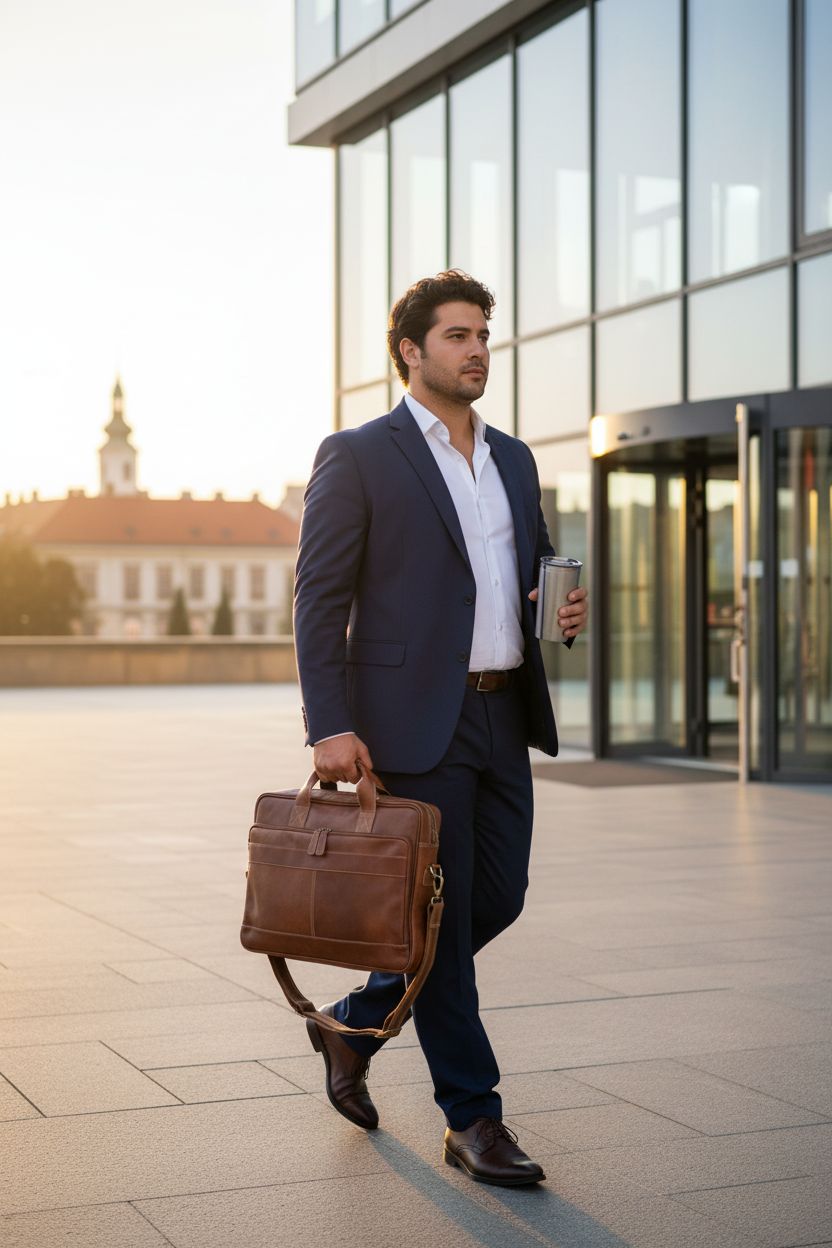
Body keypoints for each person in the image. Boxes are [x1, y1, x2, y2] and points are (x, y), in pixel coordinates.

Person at [294, 270, 588, 1187]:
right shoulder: (359, 454)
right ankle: (472, 1116)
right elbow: (318, 598)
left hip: (503, 709)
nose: (477, 351)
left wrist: (556, 605)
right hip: (413, 722)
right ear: (410, 351)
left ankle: (354, 1021)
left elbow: (529, 562)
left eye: (483, 336)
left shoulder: (514, 458)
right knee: (441, 916)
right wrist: (330, 724)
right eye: (458, 336)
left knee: (494, 897)